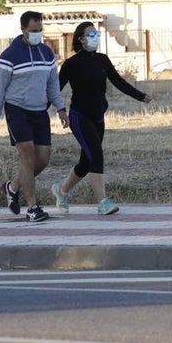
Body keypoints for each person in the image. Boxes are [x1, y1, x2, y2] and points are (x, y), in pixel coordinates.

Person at [52, 21, 152, 215]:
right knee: (96, 154)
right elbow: (55, 89)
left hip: (98, 116)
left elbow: (119, 82)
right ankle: (102, 202)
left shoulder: (102, 60)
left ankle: (61, 191)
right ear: (81, 39)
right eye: (91, 35)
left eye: (96, 34)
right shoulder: (71, 64)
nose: (95, 37)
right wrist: (59, 110)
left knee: (86, 162)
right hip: (79, 116)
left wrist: (140, 96)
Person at [0, 10, 67, 222]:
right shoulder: (9, 55)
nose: (37, 34)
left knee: (43, 159)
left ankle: (12, 188)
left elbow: (52, 85)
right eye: (33, 31)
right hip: (17, 110)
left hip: (40, 110)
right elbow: (0, 89)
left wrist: (61, 108)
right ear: (22, 30)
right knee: (27, 155)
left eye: (40, 30)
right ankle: (32, 207)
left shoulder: (47, 54)